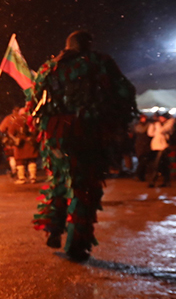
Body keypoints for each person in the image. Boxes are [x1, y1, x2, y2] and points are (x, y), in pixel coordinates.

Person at [29, 31, 137, 261]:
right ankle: (76, 244)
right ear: (88, 45)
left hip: (55, 133)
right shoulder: (99, 62)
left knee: (59, 179)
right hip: (86, 132)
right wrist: (116, 119)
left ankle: (53, 228)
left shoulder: (49, 67)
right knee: (84, 187)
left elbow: (34, 102)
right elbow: (125, 91)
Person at [0, 105, 39, 184]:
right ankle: (33, 177)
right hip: (31, 143)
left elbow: (10, 132)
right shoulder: (32, 119)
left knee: (20, 161)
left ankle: (21, 178)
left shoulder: (17, 120)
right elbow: (36, 130)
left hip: (20, 144)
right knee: (31, 160)